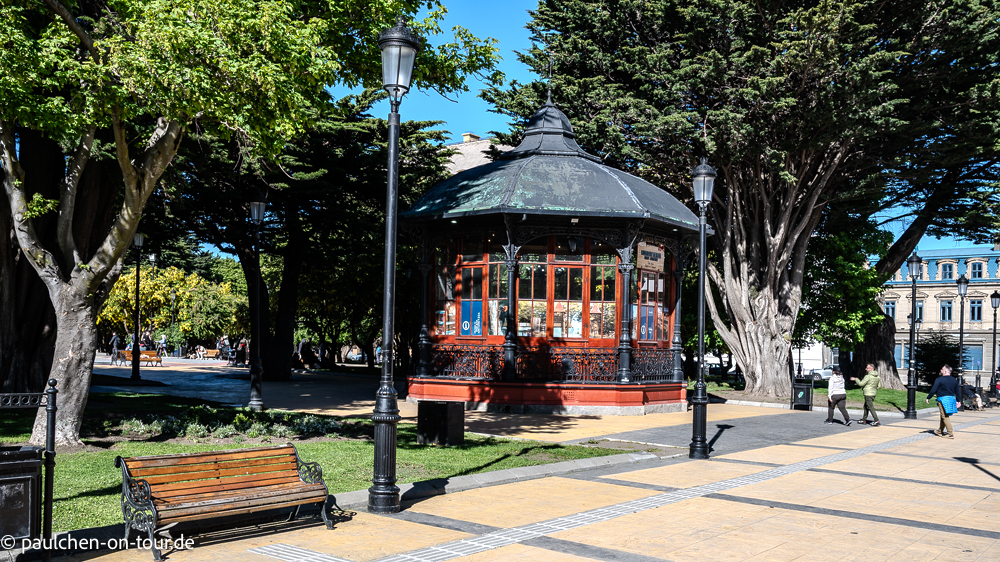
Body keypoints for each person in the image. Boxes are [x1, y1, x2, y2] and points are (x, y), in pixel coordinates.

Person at [926, 364, 959, 438]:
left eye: (942, 369)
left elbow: (934, 389)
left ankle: (950, 433)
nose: (940, 370)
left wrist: (928, 397)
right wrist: (958, 400)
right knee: (943, 415)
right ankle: (940, 430)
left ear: (945, 371)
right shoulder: (954, 380)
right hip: (951, 399)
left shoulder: (939, 379)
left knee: (944, 416)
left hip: (943, 399)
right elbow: (957, 391)